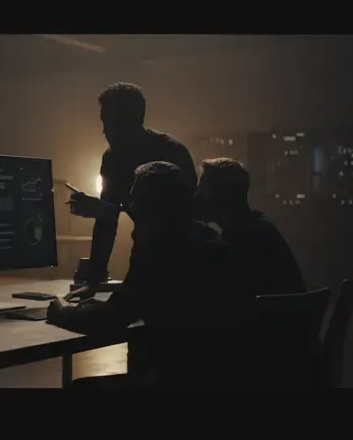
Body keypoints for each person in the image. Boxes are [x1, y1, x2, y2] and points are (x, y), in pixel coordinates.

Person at [48, 161, 253, 388]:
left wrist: (61, 313)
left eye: (136, 200)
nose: (132, 208)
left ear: (153, 206)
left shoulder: (160, 249)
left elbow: (113, 317)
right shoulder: (210, 240)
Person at [67, 82, 197, 300]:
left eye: (108, 121)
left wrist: (106, 210)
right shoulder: (111, 158)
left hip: (183, 261)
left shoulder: (170, 151)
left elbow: (179, 217)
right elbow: (106, 224)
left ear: (129, 121)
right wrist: (93, 282)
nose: (104, 130)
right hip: (147, 254)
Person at [194, 158, 307, 296]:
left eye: (201, 188)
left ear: (221, 195)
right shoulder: (263, 230)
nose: (196, 196)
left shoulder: (237, 243)